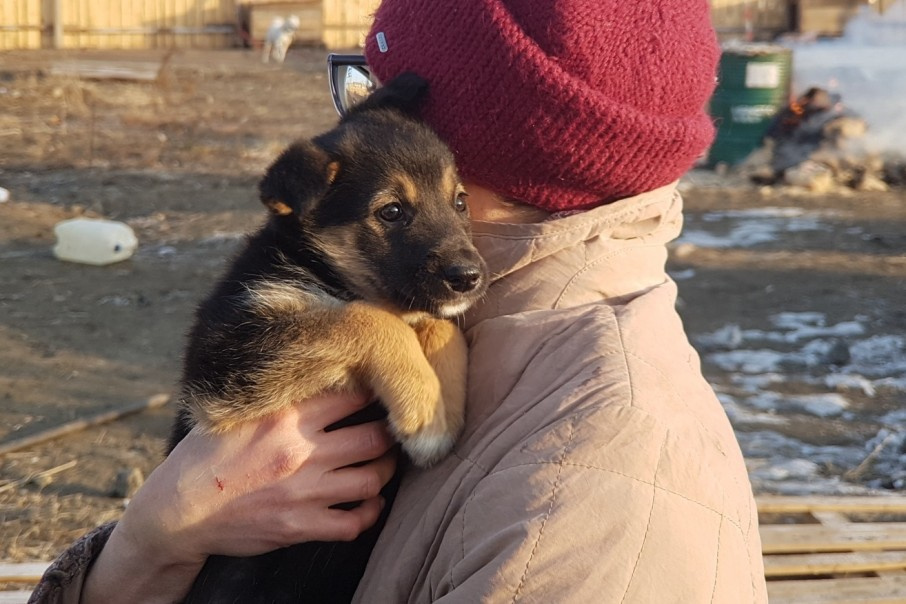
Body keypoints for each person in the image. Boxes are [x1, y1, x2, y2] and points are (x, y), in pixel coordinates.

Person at [31, 1, 769, 602]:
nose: (356, 115)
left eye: (372, 90)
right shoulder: (481, 330)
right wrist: (150, 544)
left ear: (459, 145)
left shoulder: (597, 489)